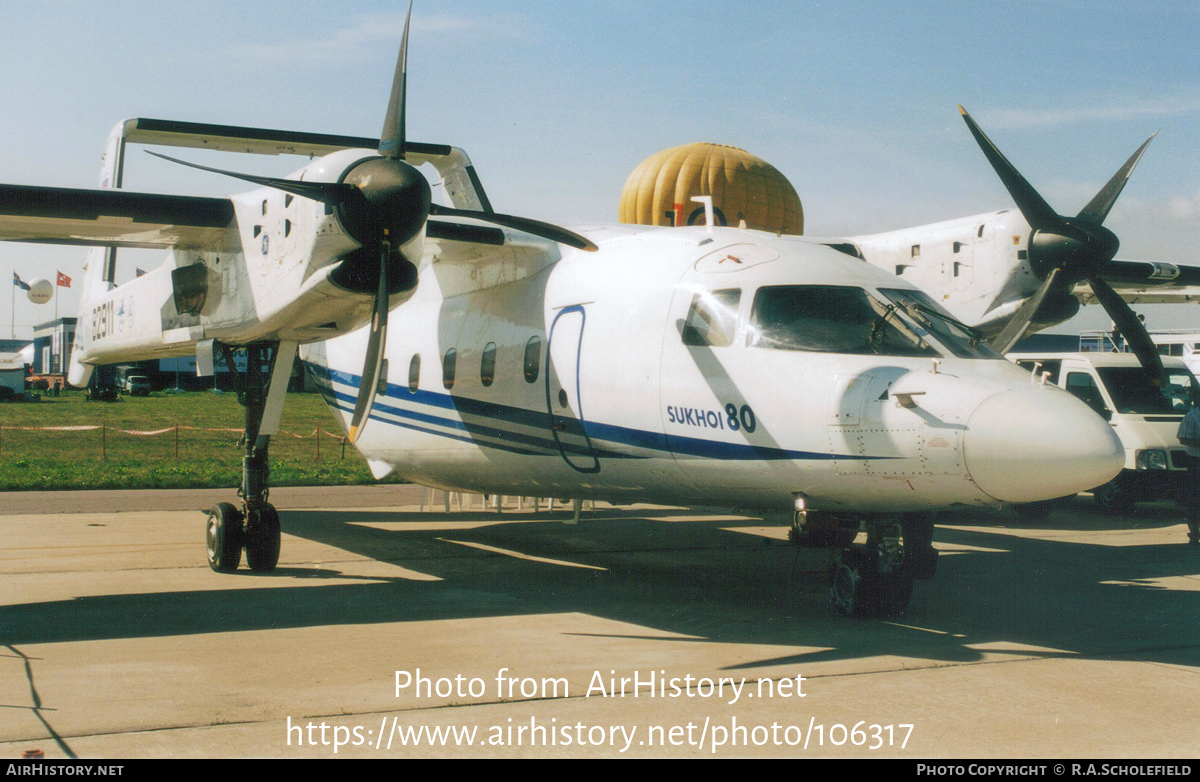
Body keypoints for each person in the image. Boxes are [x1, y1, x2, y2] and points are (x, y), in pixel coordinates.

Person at [1176, 397, 1200, 544]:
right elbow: (1183, 438)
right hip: (1196, 462)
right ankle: (1194, 534)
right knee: (1195, 500)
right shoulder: (1192, 416)